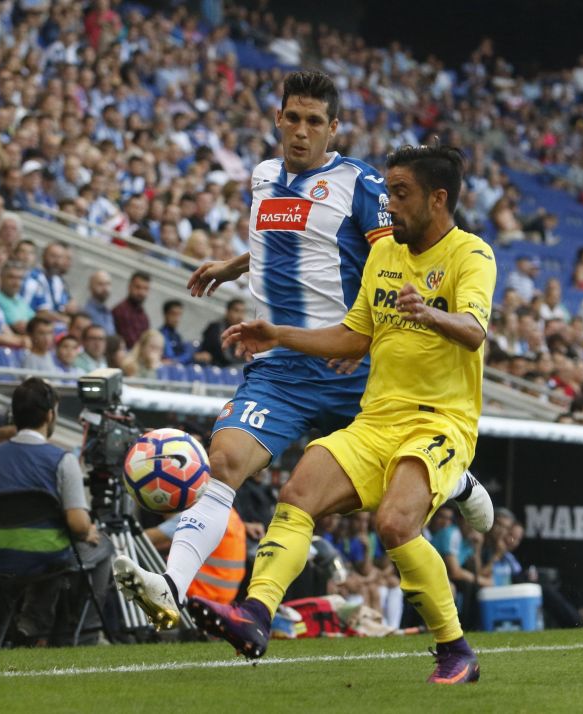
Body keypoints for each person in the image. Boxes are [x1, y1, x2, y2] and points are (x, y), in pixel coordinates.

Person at [113, 75, 493, 649]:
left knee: (391, 494)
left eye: (314, 121)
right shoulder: (264, 177)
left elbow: (399, 250)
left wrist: (367, 335)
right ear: (277, 119)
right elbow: (285, 239)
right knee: (226, 460)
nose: (301, 130)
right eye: (293, 118)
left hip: (350, 368)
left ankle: (456, 480)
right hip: (283, 363)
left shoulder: (362, 183)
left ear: (333, 128)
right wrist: (233, 265)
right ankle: (171, 584)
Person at [185, 145, 495, 684]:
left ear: (437, 199)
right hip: (376, 420)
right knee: (298, 494)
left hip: (439, 421)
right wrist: (278, 334)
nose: (388, 206)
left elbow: (474, 330)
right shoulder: (384, 255)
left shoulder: (472, 255)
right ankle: (256, 616)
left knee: (395, 523)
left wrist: (429, 312)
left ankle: (455, 649)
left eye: (400, 194)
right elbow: (353, 337)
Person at [0, 378, 114, 642]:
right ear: (51, 414)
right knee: (103, 546)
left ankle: (21, 627)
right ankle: (83, 634)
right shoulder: (62, 460)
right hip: (47, 558)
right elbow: (78, 525)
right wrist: (88, 532)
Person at [193, 298, 247, 367]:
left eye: (243, 312)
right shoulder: (216, 328)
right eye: (236, 311)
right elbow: (223, 356)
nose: (240, 316)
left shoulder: (244, 332)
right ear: (227, 312)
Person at [112, 270, 151, 349]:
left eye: (145, 289)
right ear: (129, 287)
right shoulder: (121, 311)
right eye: (138, 287)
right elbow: (131, 344)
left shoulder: (143, 316)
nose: (141, 292)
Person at [159, 300, 194, 365]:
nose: (177, 318)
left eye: (179, 314)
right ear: (165, 314)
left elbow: (185, 355)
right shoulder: (160, 335)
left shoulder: (178, 336)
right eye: (173, 314)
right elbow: (169, 357)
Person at [83, 270, 115, 335]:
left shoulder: (108, 312)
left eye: (108, 284)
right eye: (100, 284)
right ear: (90, 287)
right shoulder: (86, 313)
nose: (105, 288)